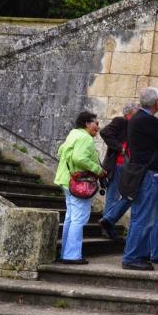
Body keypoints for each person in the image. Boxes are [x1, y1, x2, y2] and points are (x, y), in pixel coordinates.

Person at [122, 87, 158, 271]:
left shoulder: (137, 119)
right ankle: (132, 256)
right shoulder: (148, 120)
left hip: (140, 171)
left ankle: (138, 255)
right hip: (148, 173)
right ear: (156, 103)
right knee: (142, 217)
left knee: (141, 216)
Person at [54, 111, 106, 264]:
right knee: (79, 218)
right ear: (87, 124)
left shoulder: (73, 134)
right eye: (96, 123)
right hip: (78, 183)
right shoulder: (85, 138)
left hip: (66, 180)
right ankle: (72, 255)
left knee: (71, 218)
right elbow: (79, 158)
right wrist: (97, 170)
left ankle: (66, 252)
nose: (98, 126)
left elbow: (61, 151)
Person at [98, 102, 138, 240]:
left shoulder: (134, 126)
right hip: (118, 164)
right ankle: (107, 227)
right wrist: (120, 147)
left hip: (128, 166)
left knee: (126, 195)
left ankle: (109, 223)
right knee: (113, 196)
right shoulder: (121, 121)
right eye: (136, 111)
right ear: (129, 113)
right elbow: (104, 132)